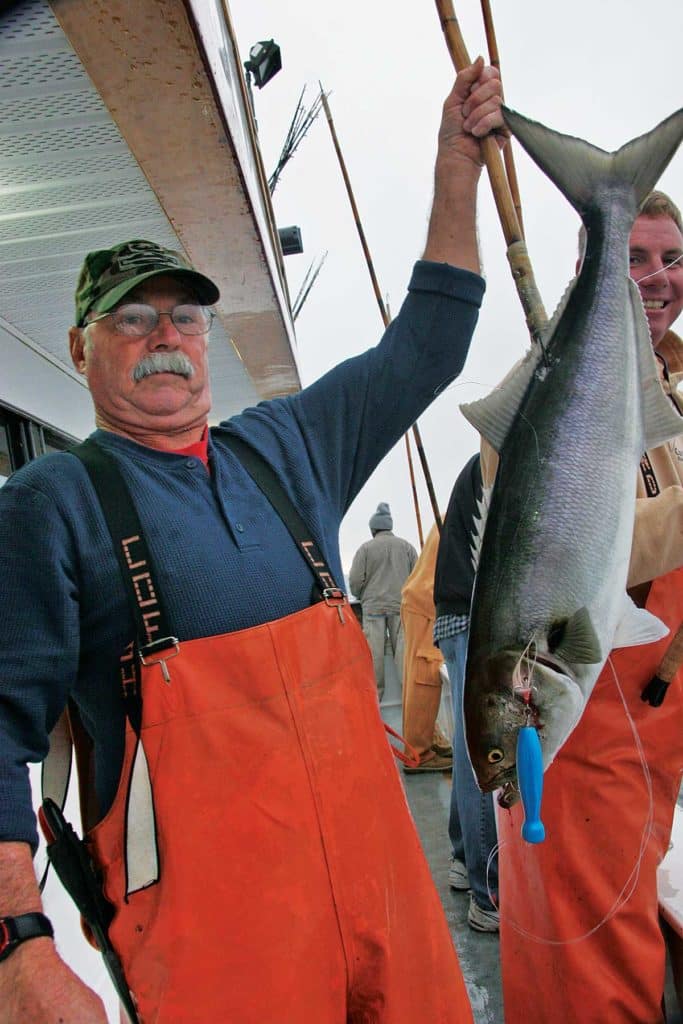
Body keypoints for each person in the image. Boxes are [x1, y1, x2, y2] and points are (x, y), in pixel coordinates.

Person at [0, 61, 505, 1024]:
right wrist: (19, 946)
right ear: (78, 348)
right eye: (131, 318)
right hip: (219, 957)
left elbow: (430, 342)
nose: (165, 337)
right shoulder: (50, 502)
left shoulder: (290, 445)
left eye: (185, 317)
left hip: (387, 906)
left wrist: (454, 166)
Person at [495, 191, 683, 1022]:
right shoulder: (534, 396)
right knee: (586, 951)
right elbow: (566, 568)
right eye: (632, 258)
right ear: (588, 272)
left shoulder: (675, 378)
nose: (657, 277)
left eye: (671, 259)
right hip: (584, 715)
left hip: (663, 710)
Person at [434, 453, 499, 933]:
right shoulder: (498, 462)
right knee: (484, 750)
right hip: (472, 616)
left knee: (463, 745)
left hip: (452, 616)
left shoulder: (479, 461)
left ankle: (462, 857)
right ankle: (488, 893)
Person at [349, 503, 417, 702]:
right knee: (404, 661)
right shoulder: (407, 548)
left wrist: (363, 595)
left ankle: (375, 704)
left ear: (373, 528)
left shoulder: (365, 549)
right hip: (400, 609)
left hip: (373, 610)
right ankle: (409, 702)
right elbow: (417, 578)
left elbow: (354, 581)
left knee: (374, 660)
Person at [399, 523, 453, 772]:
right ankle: (419, 754)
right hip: (428, 603)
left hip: (419, 599)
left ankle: (428, 739)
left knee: (416, 675)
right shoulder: (469, 514)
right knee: (425, 675)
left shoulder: (447, 514)